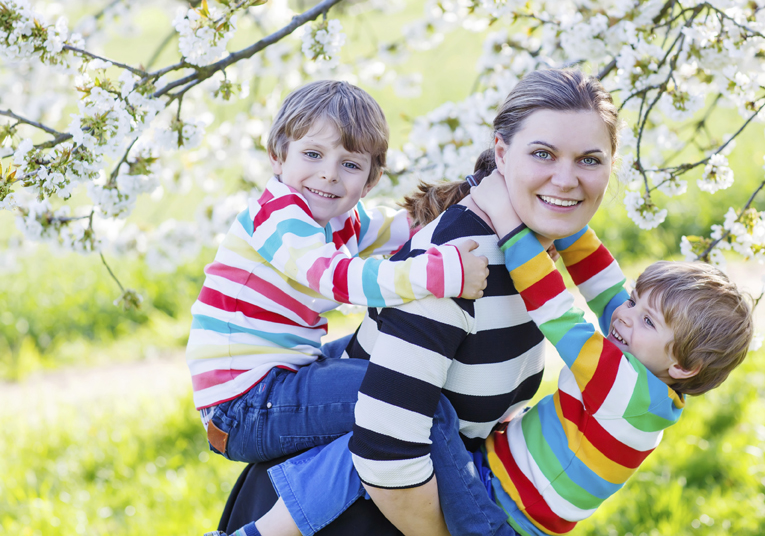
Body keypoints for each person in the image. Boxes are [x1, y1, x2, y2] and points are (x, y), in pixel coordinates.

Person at [233, 168, 754, 536]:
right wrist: (563, 209)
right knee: (378, 425)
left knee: (405, 420)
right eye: (637, 301)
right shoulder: (647, 369)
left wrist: (508, 219)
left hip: (495, 512)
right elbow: (604, 287)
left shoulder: (625, 391)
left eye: (646, 319)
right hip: (490, 479)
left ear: (683, 365)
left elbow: (557, 310)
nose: (624, 314)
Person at [218, 67, 623, 536]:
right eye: (543, 154)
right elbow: (386, 451)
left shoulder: (531, 248)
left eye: (589, 160)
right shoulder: (457, 263)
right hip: (343, 510)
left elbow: (612, 296)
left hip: (376, 487)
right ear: (502, 153)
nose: (566, 179)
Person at [187, 80, 490, 467]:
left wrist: (469, 197)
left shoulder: (338, 216)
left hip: (282, 376)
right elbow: (337, 277)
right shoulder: (279, 216)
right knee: (406, 392)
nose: (329, 174)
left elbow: (400, 228)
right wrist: (437, 274)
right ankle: (475, 500)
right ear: (277, 157)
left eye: (350, 165)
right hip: (243, 404)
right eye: (313, 154)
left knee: (402, 354)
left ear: (370, 181)